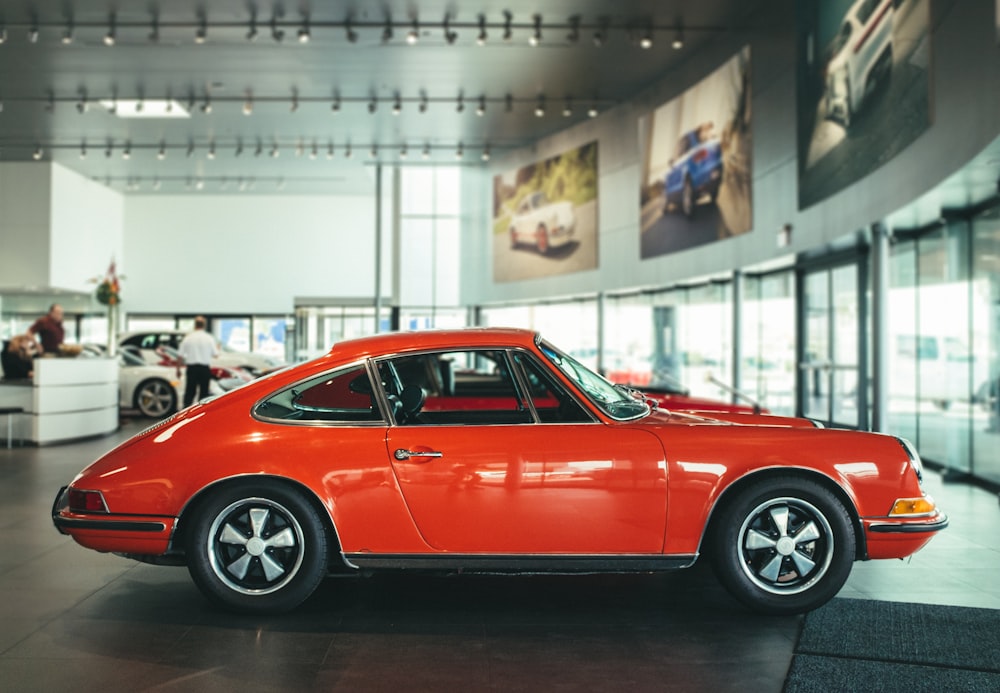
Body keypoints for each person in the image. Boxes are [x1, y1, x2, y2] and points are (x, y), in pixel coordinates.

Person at [177, 316, 218, 408]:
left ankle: (185, 412)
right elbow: (215, 354)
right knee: (204, 393)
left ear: (195, 325)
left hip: (192, 369)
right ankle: (201, 413)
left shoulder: (188, 338)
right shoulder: (209, 338)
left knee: (190, 392)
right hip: (204, 369)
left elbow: (180, 355)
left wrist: (178, 370)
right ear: (204, 325)